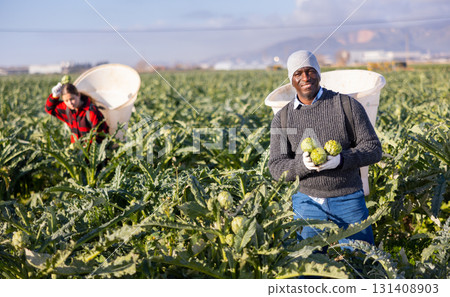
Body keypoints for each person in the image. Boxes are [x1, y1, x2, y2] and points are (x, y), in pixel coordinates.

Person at [268, 50, 382, 247]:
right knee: (309, 269)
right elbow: (276, 167)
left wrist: (341, 160)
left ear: (319, 73)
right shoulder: (283, 117)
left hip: (349, 200)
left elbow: (373, 149)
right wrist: (302, 165)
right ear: (291, 79)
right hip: (307, 204)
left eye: (310, 71)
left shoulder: (347, 105)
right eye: (298, 73)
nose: (305, 77)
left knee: (361, 263)